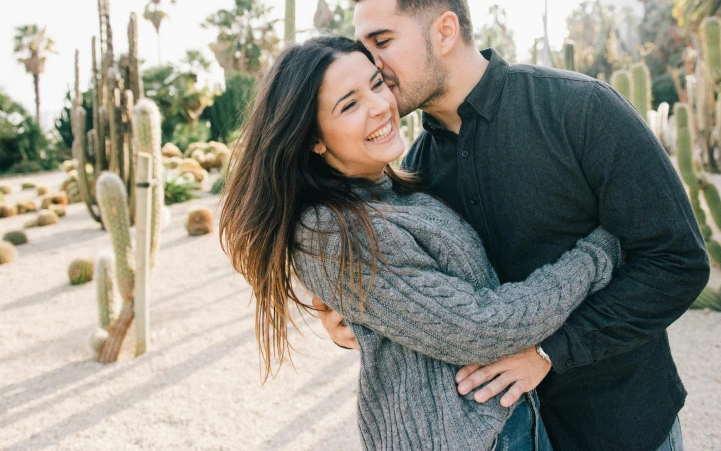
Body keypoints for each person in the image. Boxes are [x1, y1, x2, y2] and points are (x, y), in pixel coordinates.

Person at [314, 0, 710, 451]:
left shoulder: (580, 110)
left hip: (623, 423)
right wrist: (350, 315)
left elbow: (677, 260)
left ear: (444, 30)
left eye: (383, 42)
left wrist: (549, 352)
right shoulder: (413, 171)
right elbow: (424, 300)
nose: (373, 64)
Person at [219, 34, 622, 450]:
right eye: (349, 104)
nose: (379, 106)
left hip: (498, 424)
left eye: (377, 84)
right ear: (313, 139)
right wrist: (600, 249)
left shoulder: (393, 188)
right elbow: (485, 327)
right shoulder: (329, 230)